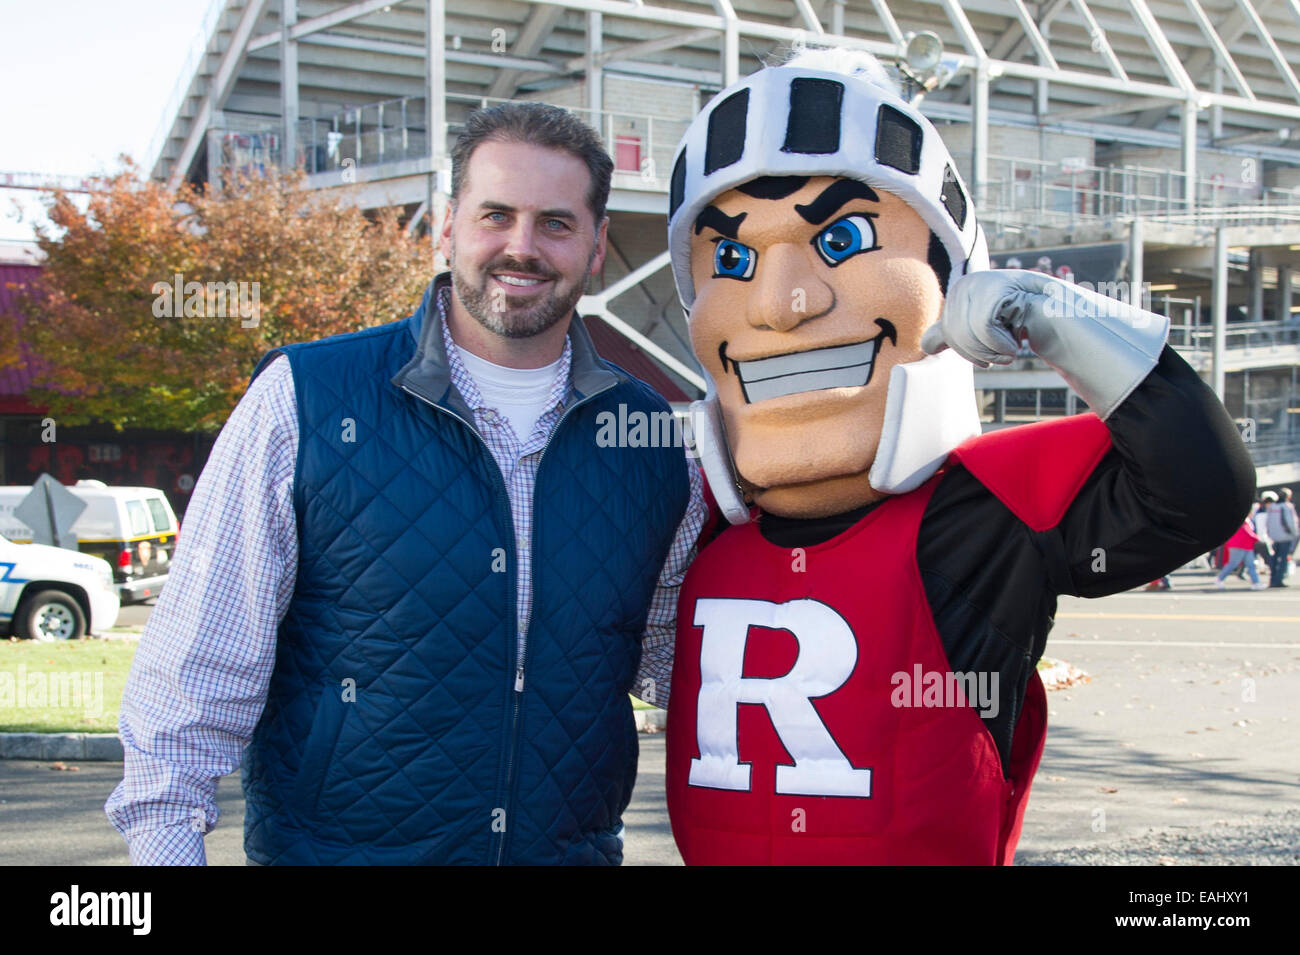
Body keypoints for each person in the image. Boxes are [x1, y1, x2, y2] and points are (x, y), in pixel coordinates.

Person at [660, 48, 1254, 865]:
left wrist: (1055, 316)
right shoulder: (686, 519)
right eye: (732, 259)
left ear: (949, 280)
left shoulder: (979, 518)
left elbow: (1202, 486)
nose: (778, 302)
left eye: (844, 237)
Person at [106, 102, 706, 865]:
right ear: (448, 227)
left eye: (556, 223)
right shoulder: (307, 399)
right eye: (496, 215)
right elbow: (192, 677)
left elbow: (671, 658)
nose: (521, 248)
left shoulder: (648, 436)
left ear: (596, 249)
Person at [1216, 518, 1267, 590]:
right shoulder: (1242, 520)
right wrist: (1257, 539)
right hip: (1238, 545)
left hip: (1246, 545)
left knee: (1251, 565)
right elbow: (1247, 532)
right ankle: (1219, 579)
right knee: (1233, 564)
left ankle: (1256, 583)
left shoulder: (1244, 520)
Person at [1266, 488, 1297, 587]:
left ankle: (1272, 578)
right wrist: (1294, 534)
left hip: (1274, 536)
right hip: (1285, 536)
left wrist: (1270, 534)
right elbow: (1290, 522)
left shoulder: (1272, 507)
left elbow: (1268, 522)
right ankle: (1278, 580)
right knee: (1283, 559)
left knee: (1274, 559)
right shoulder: (1287, 506)